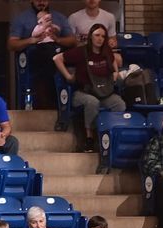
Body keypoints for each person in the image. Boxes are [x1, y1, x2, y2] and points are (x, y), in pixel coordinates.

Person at [53, 24, 125, 153]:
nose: (100, 39)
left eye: (103, 36)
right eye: (97, 35)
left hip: (104, 92)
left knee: (119, 104)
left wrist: (115, 72)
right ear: (91, 36)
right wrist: (68, 76)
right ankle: (89, 138)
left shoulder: (107, 51)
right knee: (92, 102)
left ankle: (112, 137)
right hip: (83, 92)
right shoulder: (81, 51)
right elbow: (57, 58)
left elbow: (114, 60)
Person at [9, 0, 76, 109]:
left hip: (55, 53)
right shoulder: (22, 19)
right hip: (33, 56)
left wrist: (57, 39)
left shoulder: (59, 18)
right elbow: (11, 44)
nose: (41, 2)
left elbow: (73, 41)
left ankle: (62, 103)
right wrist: (32, 40)